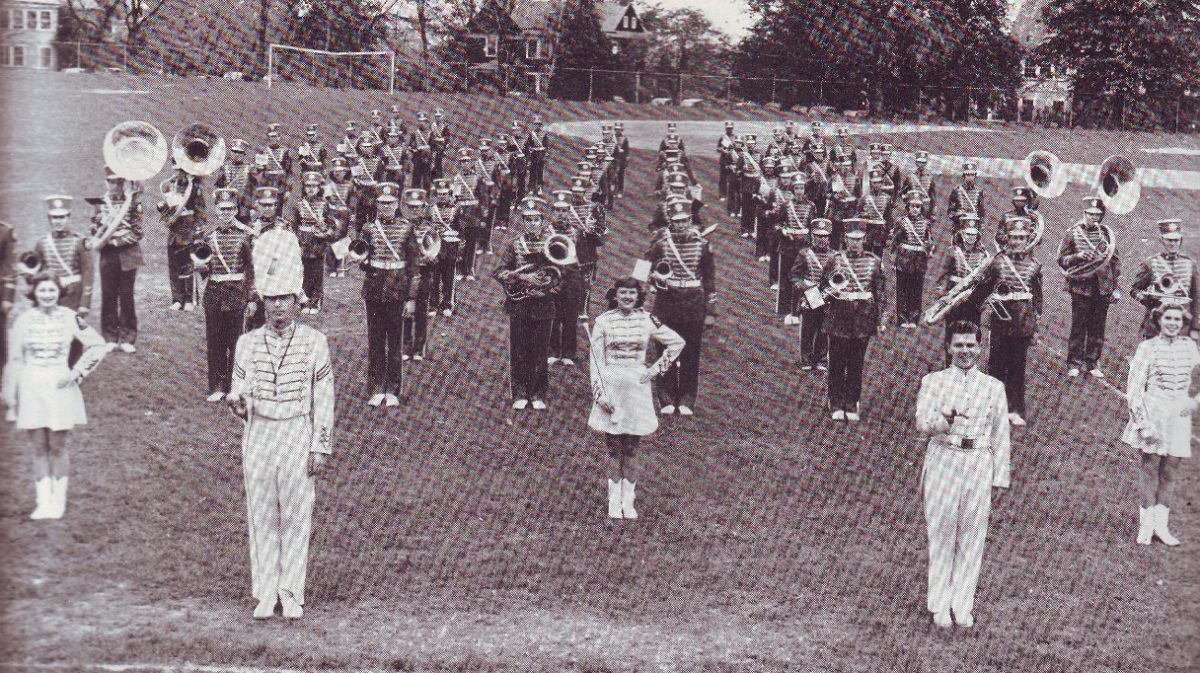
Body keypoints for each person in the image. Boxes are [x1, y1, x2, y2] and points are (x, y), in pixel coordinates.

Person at [227, 232, 334, 620]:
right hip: (260, 432)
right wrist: (238, 402)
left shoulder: (315, 342)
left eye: (285, 299)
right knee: (261, 512)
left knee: (294, 512)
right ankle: (265, 590)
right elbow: (240, 389)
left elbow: (324, 398)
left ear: (297, 302)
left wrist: (320, 446)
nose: (278, 307)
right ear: (263, 302)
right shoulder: (247, 343)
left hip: (295, 431)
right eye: (271, 299)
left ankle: (291, 591)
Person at [914, 319, 1011, 629]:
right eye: (959, 345)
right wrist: (943, 418)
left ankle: (962, 605)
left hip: (978, 461)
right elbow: (922, 425)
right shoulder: (933, 382)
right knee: (942, 531)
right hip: (944, 457)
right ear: (948, 347)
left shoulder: (993, 387)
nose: (965, 351)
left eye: (970, 345)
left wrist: (999, 477)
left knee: (971, 534)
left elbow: (1001, 435)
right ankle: (940, 604)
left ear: (979, 348)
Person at [3, 273, 109, 520]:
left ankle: (58, 501)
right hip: (31, 385)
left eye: (52, 290)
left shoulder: (69, 317)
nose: (47, 295)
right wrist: (11, 395)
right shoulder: (23, 320)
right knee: (39, 447)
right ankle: (43, 502)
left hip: (60, 385)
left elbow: (97, 344)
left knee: (58, 447)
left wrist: (77, 373)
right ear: (34, 293)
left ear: (59, 293)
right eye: (42, 291)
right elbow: (15, 359)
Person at [589, 278, 685, 520]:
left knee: (631, 448)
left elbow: (676, 342)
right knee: (613, 449)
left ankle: (628, 502)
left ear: (638, 296)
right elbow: (596, 361)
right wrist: (600, 394)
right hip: (611, 387)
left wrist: (654, 370)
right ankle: (613, 502)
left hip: (637, 388)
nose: (628, 298)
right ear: (615, 295)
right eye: (623, 293)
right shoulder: (603, 321)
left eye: (632, 293)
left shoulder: (647, 319)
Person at [1123, 304, 1196, 546]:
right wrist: (1141, 423)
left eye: (1177, 319)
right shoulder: (1147, 347)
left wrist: (1194, 402)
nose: (1173, 323)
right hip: (1153, 412)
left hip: (1179, 416)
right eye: (1168, 318)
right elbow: (1134, 389)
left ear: (1183, 322)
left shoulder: (1190, 347)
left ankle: (1161, 528)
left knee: (1170, 472)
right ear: (1159, 320)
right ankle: (1146, 528)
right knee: (1150, 469)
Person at [647, 201, 715, 416]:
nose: (681, 226)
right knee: (665, 350)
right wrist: (649, 280)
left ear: (690, 221)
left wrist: (710, 312)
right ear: (670, 223)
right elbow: (643, 265)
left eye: (685, 221)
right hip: (666, 304)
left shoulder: (703, 246)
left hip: (694, 303)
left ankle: (686, 399)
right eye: (676, 222)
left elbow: (710, 280)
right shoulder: (661, 244)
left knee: (690, 353)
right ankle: (666, 397)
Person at [358, 184, 420, 407]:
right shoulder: (368, 228)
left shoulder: (406, 228)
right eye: (382, 203)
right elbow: (363, 257)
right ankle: (375, 387)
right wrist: (360, 261)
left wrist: (411, 298)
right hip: (374, 290)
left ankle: (393, 388)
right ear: (377, 204)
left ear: (397, 205)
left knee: (395, 342)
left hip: (397, 291)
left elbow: (414, 266)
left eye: (391, 203)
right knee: (375, 342)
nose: (386, 207)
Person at [494, 202, 559, 410]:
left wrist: (548, 285)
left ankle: (538, 393)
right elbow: (500, 271)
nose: (532, 224)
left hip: (543, 303)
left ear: (542, 222)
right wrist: (521, 276)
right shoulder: (515, 245)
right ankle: (520, 393)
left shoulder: (553, 244)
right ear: (523, 222)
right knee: (519, 349)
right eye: (528, 220)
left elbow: (562, 273)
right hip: (520, 304)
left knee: (540, 349)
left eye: (536, 219)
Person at [977, 218, 1042, 426]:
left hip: (1022, 322)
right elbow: (985, 288)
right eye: (1014, 237)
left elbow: (1037, 299)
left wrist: (1034, 326)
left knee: (1017, 368)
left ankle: (1016, 409)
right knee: (995, 366)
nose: (1017, 242)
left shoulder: (1034, 265)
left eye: (1022, 238)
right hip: (1000, 319)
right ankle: (992, 408)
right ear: (1008, 239)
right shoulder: (997, 262)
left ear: (1028, 240)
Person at [195, 188, 256, 402]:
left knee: (236, 341)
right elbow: (205, 270)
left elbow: (252, 270)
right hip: (213, 293)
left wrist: (251, 298)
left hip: (237, 293)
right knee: (215, 341)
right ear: (216, 211)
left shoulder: (246, 236)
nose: (226, 213)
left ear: (236, 210)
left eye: (230, 209)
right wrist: (200, 267)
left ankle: (235, 386)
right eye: (222, 209)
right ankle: (217, 386)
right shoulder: (208, 236)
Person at [822, 218, 884, 421]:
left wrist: (880, 319)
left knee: (856, 364)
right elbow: (823, 287)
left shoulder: (874, 262)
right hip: (839, 318)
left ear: (865, 239)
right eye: (851, 239)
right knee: (837, 363)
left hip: (863, 321)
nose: (855, 243)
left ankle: (851, 402)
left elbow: (880, 293)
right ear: (845, 239)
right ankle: (836, 402)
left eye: (858, 239)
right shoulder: (835, 260)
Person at [1057, 196, 1120, 379]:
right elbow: (1062, 260)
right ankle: (1074, 362)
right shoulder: (1073, 233)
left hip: (1102, 287)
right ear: (1084, 213)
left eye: (1097, 215)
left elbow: (1115, 263)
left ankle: (1092, 362)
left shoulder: (1107, 235)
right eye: (1090, 214)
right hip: (1081, 287)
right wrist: (1078, 256)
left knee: (1098, 327)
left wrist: (1115, 287)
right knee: (1079, 326)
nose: (1094, 217)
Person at [90, 169, 144, 353]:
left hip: (128, 253)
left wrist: (115, 240)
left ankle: (128, 337)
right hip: (107, 255)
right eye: (112, 182)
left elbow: (138, 231)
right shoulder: (99, 204)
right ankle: (110, 336)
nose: (116, 186)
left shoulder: (132, 202)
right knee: (108, 295)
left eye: (119, 183)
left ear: (123, 183)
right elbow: (94, 229)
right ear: (106, 183)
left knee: (127, 296)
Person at [1130, 218, 1200, 339]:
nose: (1173, 244)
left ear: (1181, 241)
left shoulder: (1190, 264)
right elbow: (1135, 289)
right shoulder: (1151, 263)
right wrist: (1147, 299)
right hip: (1156, 322)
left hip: (1182, 324)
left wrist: (1195, 327)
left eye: (1176, 240)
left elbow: (1196, 297)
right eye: (1169, 240)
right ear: (1162, 240)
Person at [157, 167, 205, 311]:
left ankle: (189, 299)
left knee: (188, 265)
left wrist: (198, 231)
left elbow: (200, 211)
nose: (179, 173)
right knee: (174, 265)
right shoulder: (169, 186)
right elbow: (165, 207)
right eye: (177, 170)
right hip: (174, 231)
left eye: (182, 170)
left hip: (188, 230)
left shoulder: (195, 188)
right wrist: (166, 216)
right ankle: (177, 298)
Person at [891, 190, 935, 328]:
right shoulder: (901, 222)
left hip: (919, 261)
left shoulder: (926, 224)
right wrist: (894, 258)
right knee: (903, 290)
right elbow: (894, 242)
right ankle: (902, 318)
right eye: (912, 206)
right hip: (904, 259)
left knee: (916, 290)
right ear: (907, 207)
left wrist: (929, 248)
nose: (915, 209)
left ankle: (914, 318)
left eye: (918, 207)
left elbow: (930, 241)